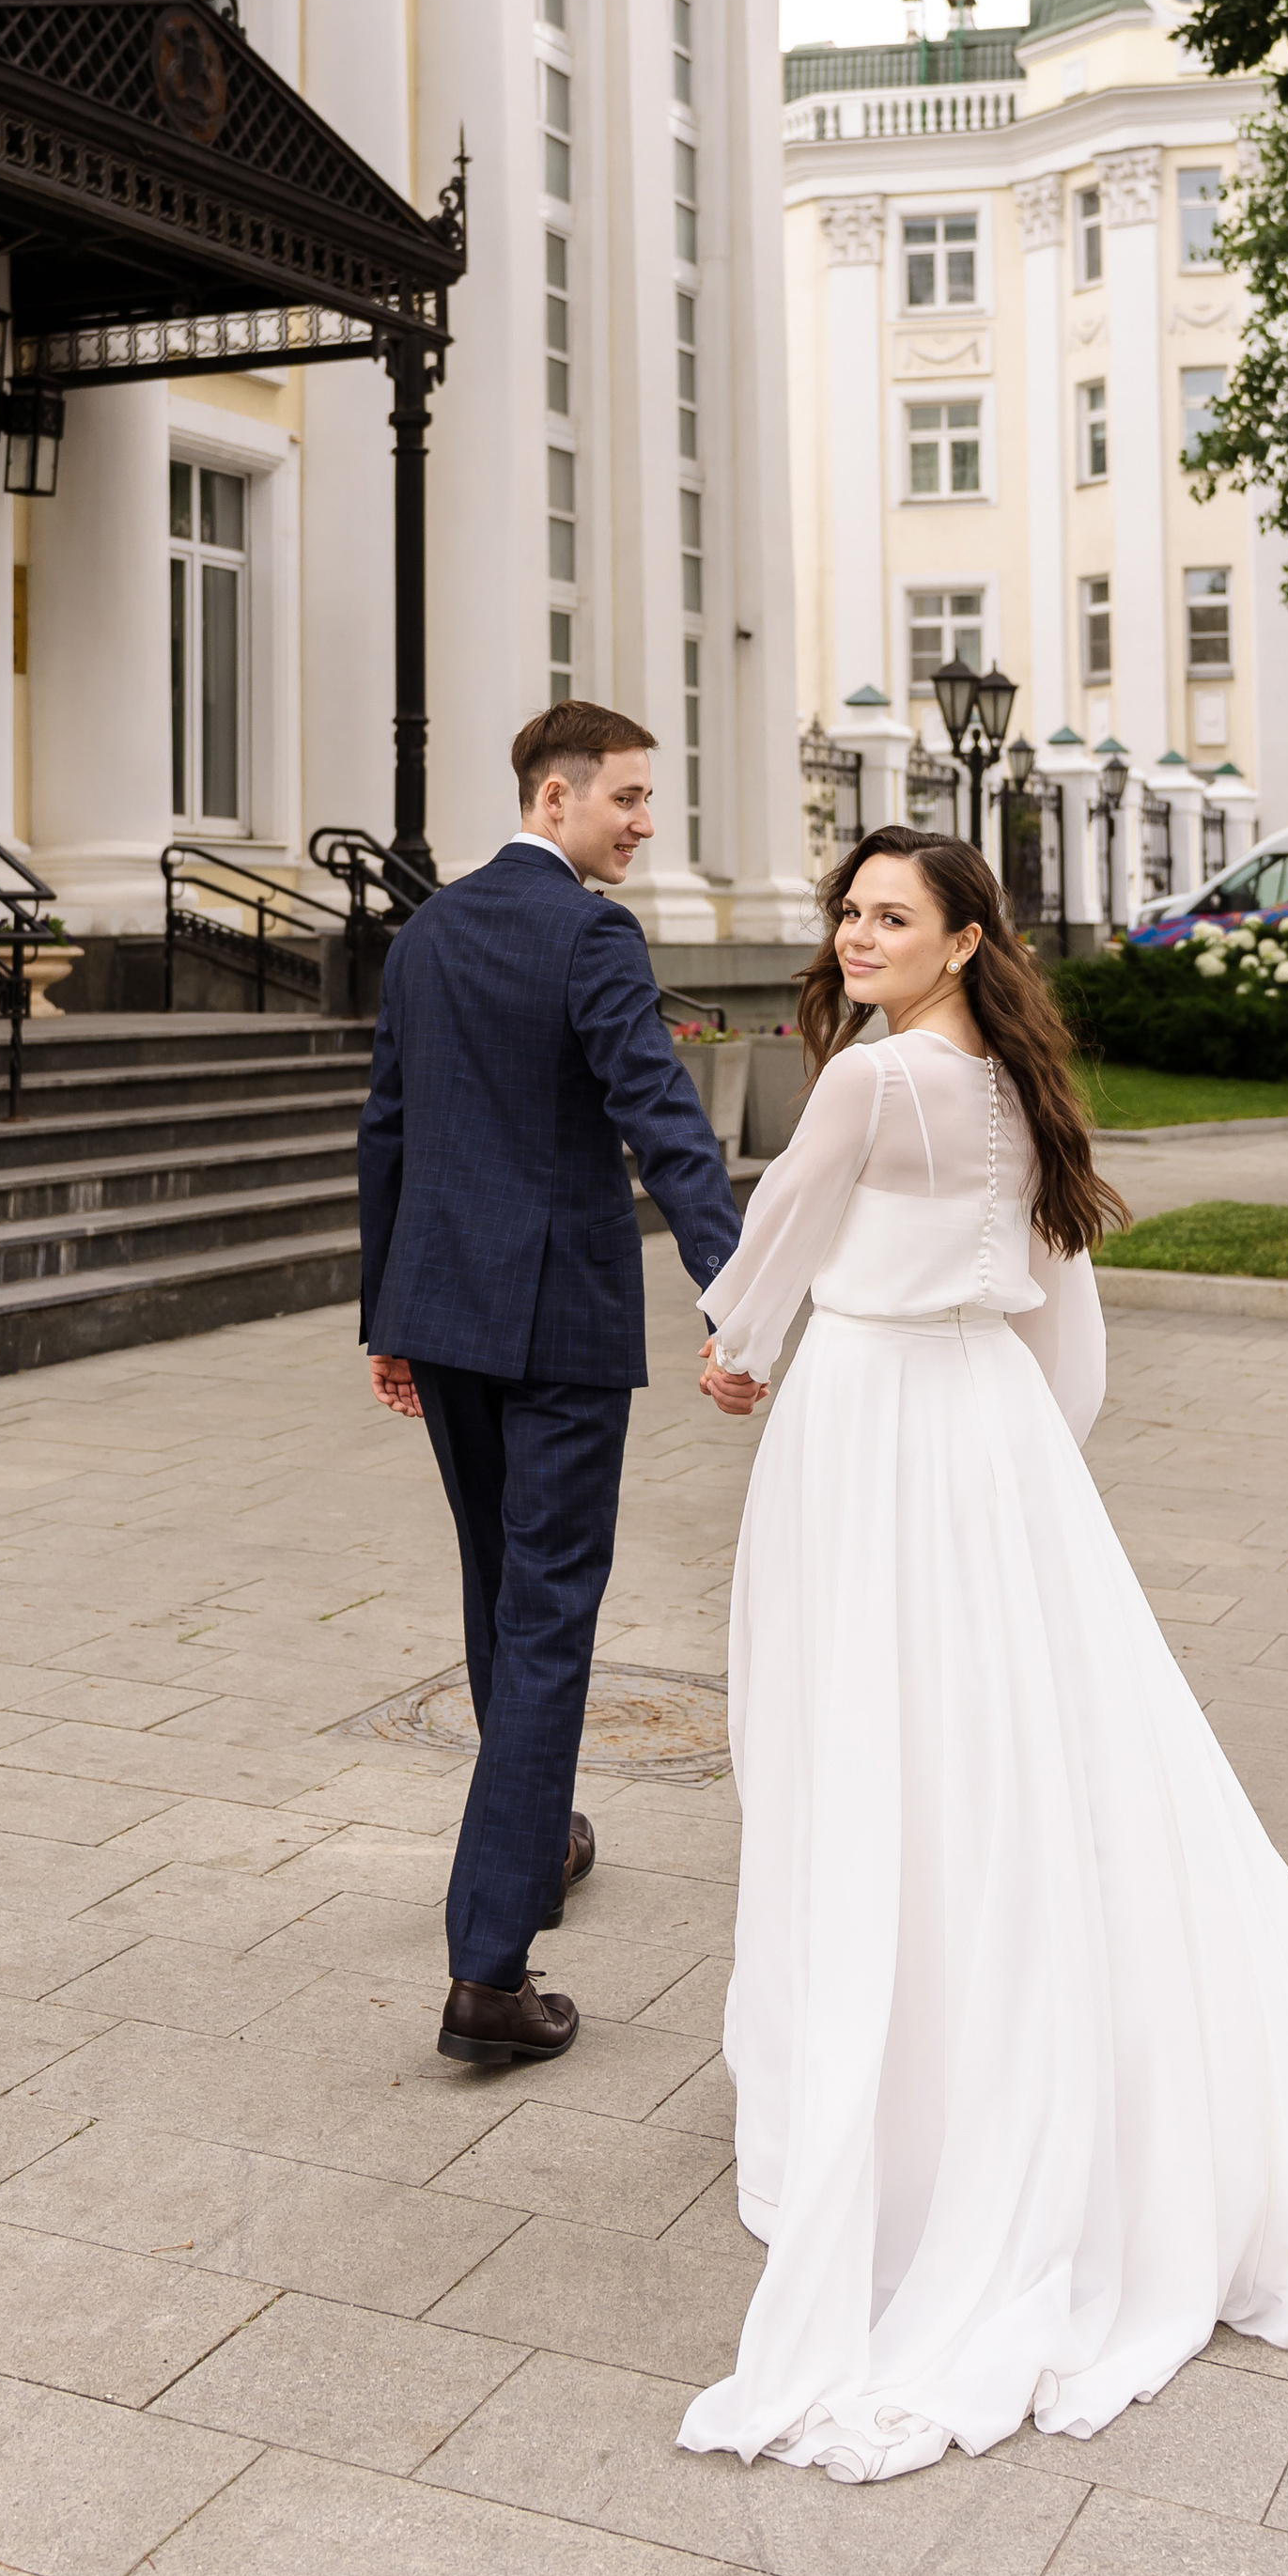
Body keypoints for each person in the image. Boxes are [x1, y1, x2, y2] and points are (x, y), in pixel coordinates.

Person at [679, 824, 1288, 2482]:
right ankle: (1024, 2080)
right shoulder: (1023, 1091)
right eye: (850, 910)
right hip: (994, 1441)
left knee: (861, 1750)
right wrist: (1033, 1466)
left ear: (963, 940)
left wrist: (734, 1351)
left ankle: (896, 2116)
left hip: (871, 1428)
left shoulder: (870, 1082)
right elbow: (1065, 1319)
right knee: (1027, 1763)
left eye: (892, 916)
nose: (858, 934)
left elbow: (773, 1248)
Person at [359, 703, 743, 2072]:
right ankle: (489, 1968)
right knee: (550, 1615)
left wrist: (385, 1317)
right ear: (555, 797)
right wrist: (738, 1292)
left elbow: (387, 1129)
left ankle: (534, 1837)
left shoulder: (427, 930)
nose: (644, 822)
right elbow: (663, 1122)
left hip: (443, 1315)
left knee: (500, 1591)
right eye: (626, 798)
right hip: (559, 1328)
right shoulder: (591, 935)